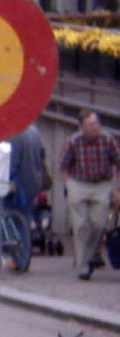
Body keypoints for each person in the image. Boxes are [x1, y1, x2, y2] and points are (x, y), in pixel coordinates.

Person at [58, 110, 120, 280]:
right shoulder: (73, 142)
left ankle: (92, 255)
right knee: (80, 225)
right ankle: (83, 264)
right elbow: (62, 165)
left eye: (97, 124)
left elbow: (118, 162)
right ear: (81, 127)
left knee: (99, 224)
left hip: (102, 184)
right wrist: (68, 184)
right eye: (91, 125)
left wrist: (116, 187)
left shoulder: (107, 140)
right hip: (79, 182)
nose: (95, 128)